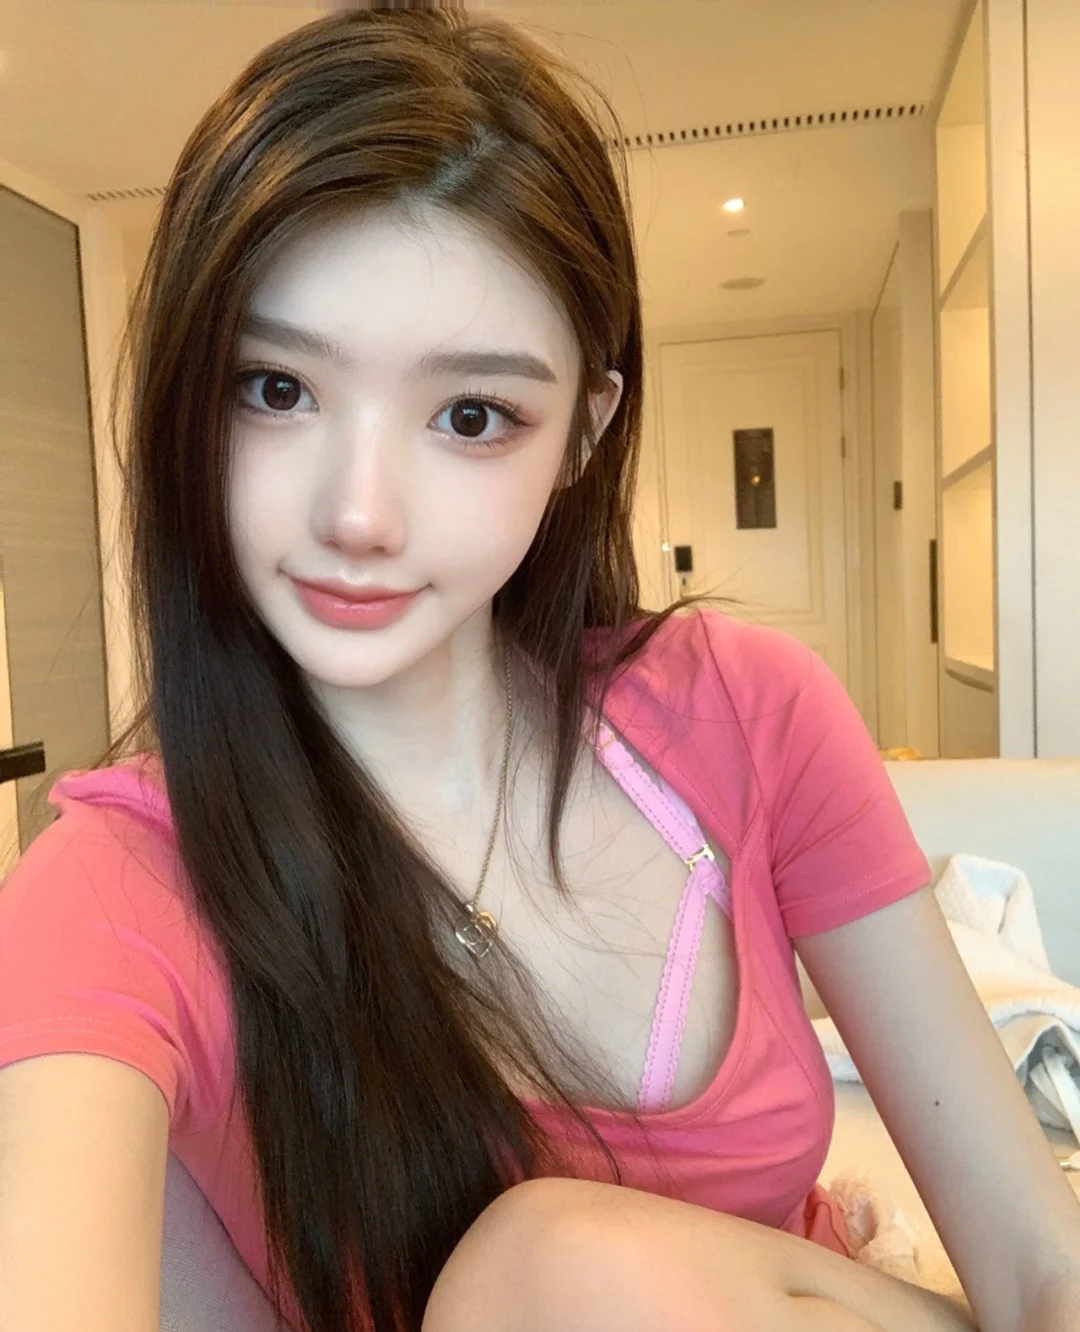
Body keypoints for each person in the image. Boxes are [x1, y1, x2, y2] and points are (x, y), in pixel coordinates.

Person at [1, 8, 1078, 1332]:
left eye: (472, 416)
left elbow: (1041, 1267)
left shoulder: (749, 713)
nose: (360, 514)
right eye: (275, 388)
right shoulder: (111, 897)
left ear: (583, 434)